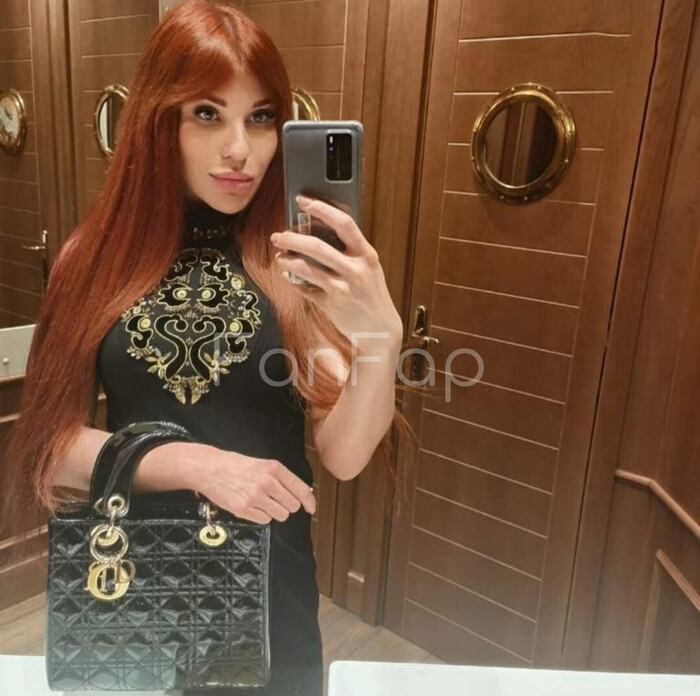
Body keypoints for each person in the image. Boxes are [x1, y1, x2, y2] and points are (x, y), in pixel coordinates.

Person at [0, 1, 410, 695]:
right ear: (159, 121)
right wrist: (197, 464)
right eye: (208, 114)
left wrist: (381, 341)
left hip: (270, 583)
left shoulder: (294, 263)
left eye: (260, 117)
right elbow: (49, 448)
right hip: (134, 573)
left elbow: (342, 454)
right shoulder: (93, 259)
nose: (239, 150)